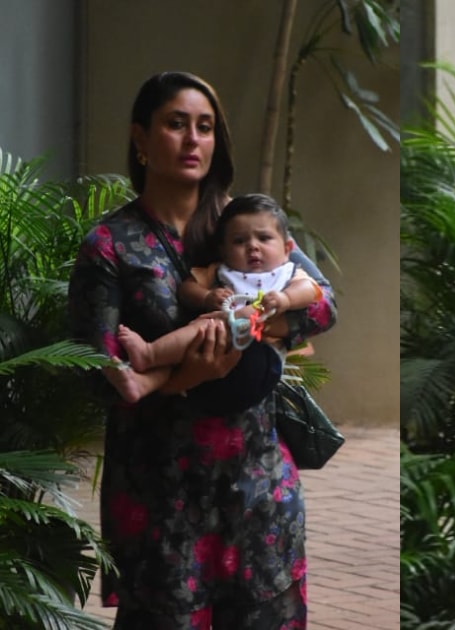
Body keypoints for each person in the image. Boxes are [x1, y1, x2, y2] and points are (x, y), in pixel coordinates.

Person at [67, 71, 337, 628]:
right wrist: (185, 375)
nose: (193, 139)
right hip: (161, 492)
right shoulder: (111, 243)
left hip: (258, 483)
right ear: (140, 139)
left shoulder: (245, 223)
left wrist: (258, 327)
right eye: (176, 124)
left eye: (205, 126)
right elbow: (91, 368)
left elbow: (324, 303)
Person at [111, 193, 320, 404]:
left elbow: (309, 289)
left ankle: (150, 353)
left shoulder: (287, 272)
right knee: (196, 337)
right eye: (239, 241)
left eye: (264, 238)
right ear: (224, 251)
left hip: (261, 357)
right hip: (213, 351)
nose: (252, 246)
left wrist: (285, 299)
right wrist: (207, 296)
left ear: (287, 249)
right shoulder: (220, 271)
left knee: (234, 318)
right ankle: (145, 381)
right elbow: (186, 288)